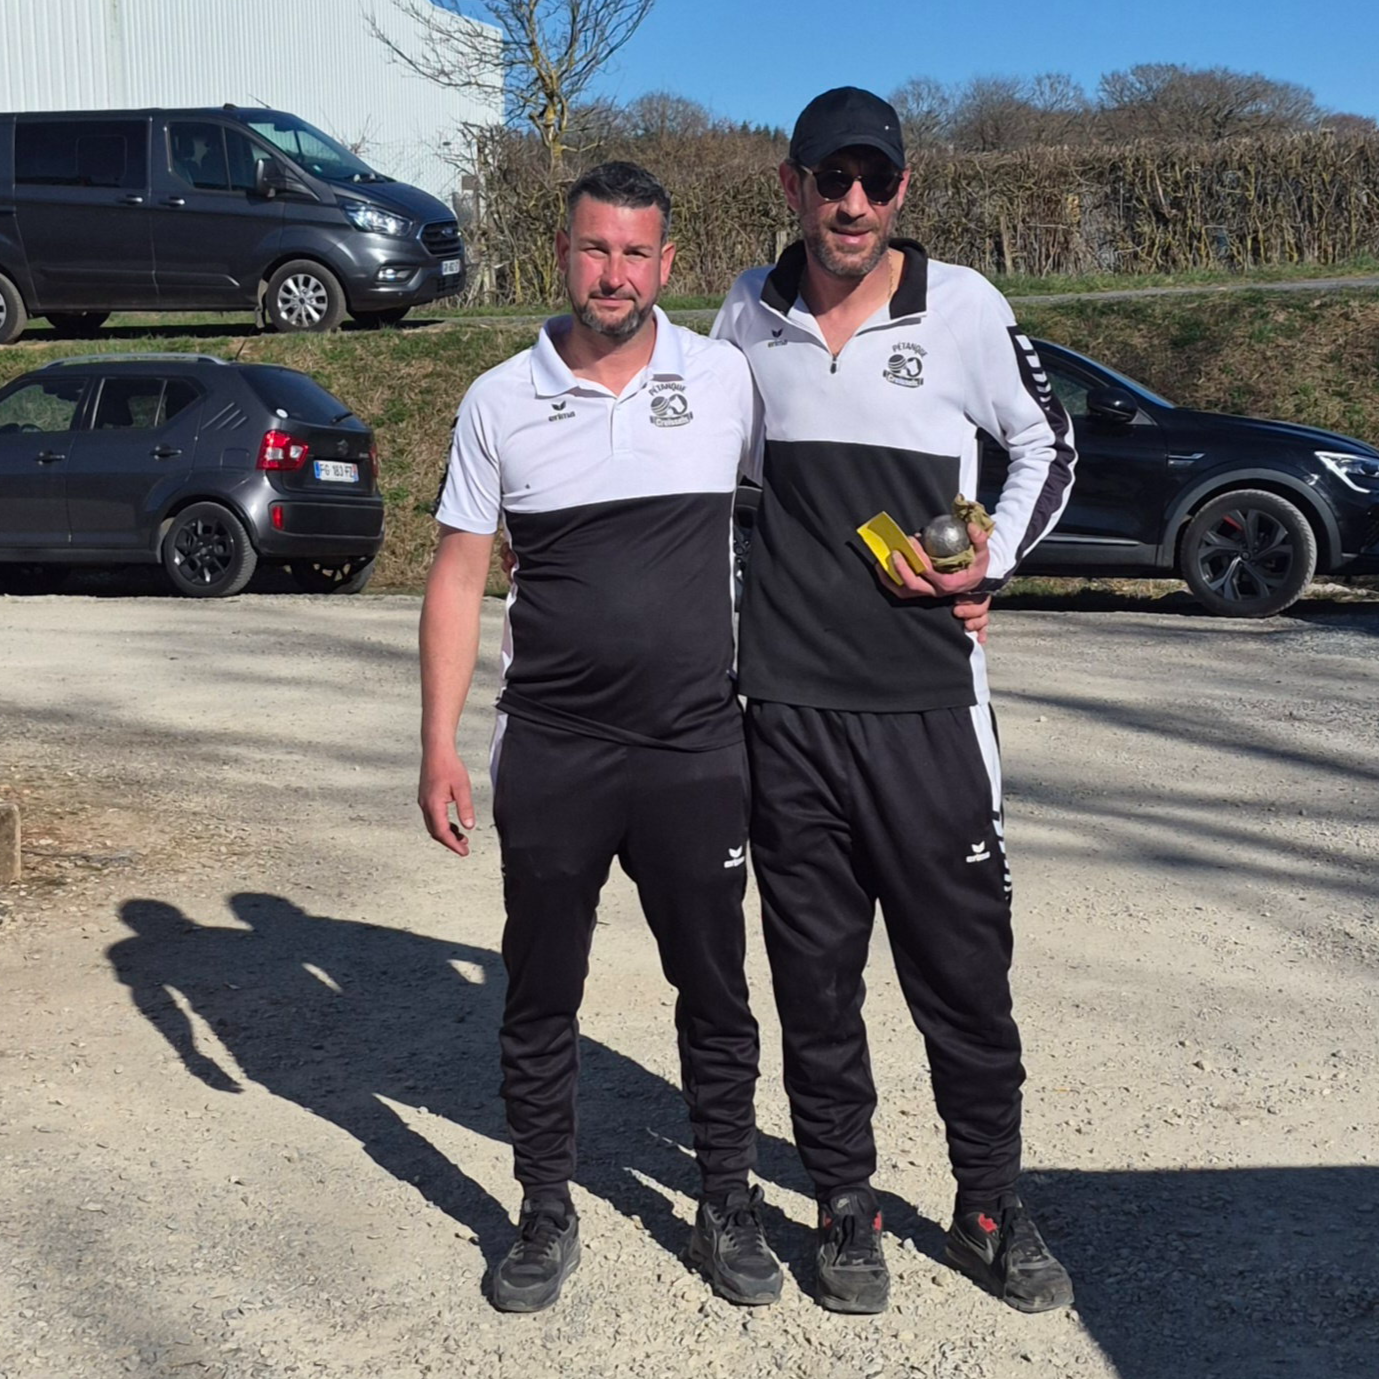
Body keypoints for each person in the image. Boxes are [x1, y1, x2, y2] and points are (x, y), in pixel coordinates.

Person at [711, 87, 1078, 1315]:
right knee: (814, 985)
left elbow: (1047, 443)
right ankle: (842, 1203)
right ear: (792, 185)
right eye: (831, 178)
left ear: (902, 189)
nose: (852, 202)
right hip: (787, 711)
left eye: (874, 180)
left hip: (929, 708)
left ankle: (989, 1205)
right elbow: (712, 484)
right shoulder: (744, 314)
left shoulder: (962, 305)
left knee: (963, 978)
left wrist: (991, 563)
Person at [417, 162, 782, 1314]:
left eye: (633, 252)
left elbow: (804, 517)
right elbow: (458, 574)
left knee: (715, 988)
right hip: (554, 748)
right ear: (561, 254)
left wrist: (945, 582)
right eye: (593, 249)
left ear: (665, 264)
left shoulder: (722, 380)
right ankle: (543, 1207)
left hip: (693, 748)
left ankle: (726, 1201)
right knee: (540, 991)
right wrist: (437, 743)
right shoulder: (497, 399)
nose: (612, 273)